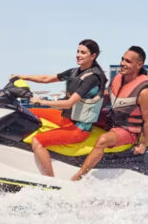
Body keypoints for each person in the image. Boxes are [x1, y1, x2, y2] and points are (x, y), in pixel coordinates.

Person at [11, 39, 107, 177]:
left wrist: (41, 101)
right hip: (66, 118)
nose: (78, 55)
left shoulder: (93, 78)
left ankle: (50, 180)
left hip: (79, 128)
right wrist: (22, 76)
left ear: (93, 56)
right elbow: (46, 78)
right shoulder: (75, 71)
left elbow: (69, 103)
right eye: (78, 51)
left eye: (83, 53)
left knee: (37, 141)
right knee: (28, 111)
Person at [72, 45, 148, 181]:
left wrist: (142, 145)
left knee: (102, 140)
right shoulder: (118, 78)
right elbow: (108, 95)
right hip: (112, 119)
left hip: (129, 130)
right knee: (75, 113)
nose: (122, 63)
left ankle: (78, 176)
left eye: (128, 61)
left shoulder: (145, 91)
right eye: (122, 59)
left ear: (139, 64)